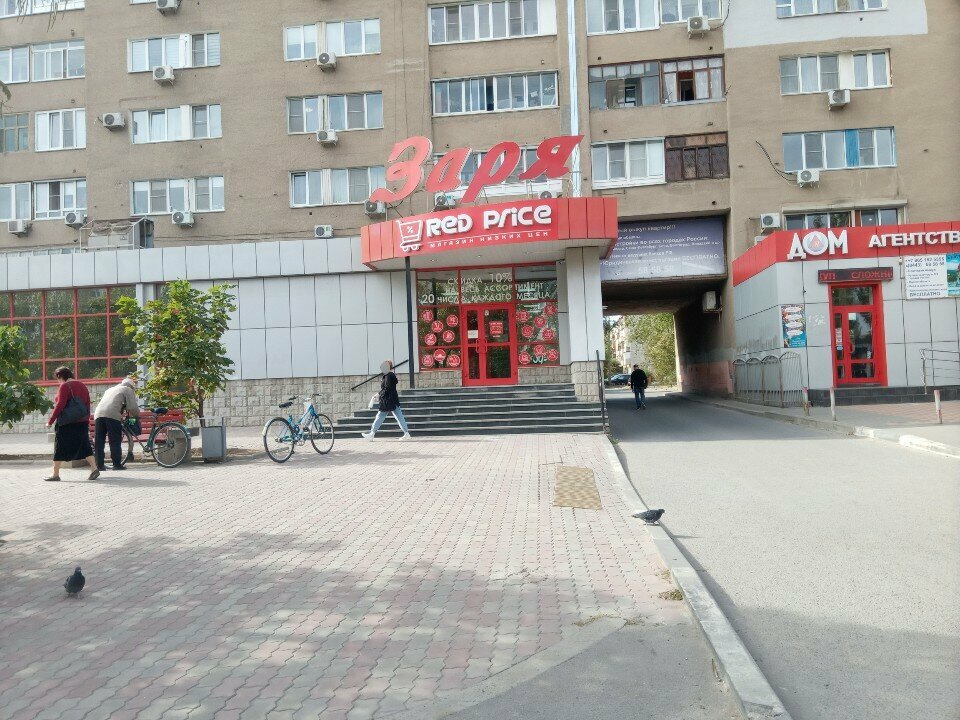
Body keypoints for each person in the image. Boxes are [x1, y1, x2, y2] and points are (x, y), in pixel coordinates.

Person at [45, 367, 99, 482]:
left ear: (60, 376)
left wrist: (50, 421)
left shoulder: (65, 386)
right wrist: (86, 418)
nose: (57, 381)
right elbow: (87, 403)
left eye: (57, 378)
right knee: (84, 445)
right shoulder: (82, 385)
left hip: (66, 422)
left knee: (59, 446)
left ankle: (55, 474)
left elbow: (60, 405)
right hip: (82, 421)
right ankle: (94, 468)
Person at [94, 377, 140, 471]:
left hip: (98, 414)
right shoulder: (128, 389)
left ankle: (99, 465)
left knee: (99, 441)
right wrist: (137, 416)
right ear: (131, 387)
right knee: (114, 440)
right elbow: (132, 407)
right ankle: (117, 465)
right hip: (112, 415)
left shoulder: (110, 389)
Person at [361, 360, 412, 441]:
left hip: (387, 400)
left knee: (380, 416)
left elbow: (386, 388)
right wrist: (379, 394)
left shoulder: (388, 376)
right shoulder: (389, 375)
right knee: (399, 417)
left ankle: (372, 434)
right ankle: (406, 433)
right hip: (392, 400)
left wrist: (378, 394)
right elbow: (387, 388)